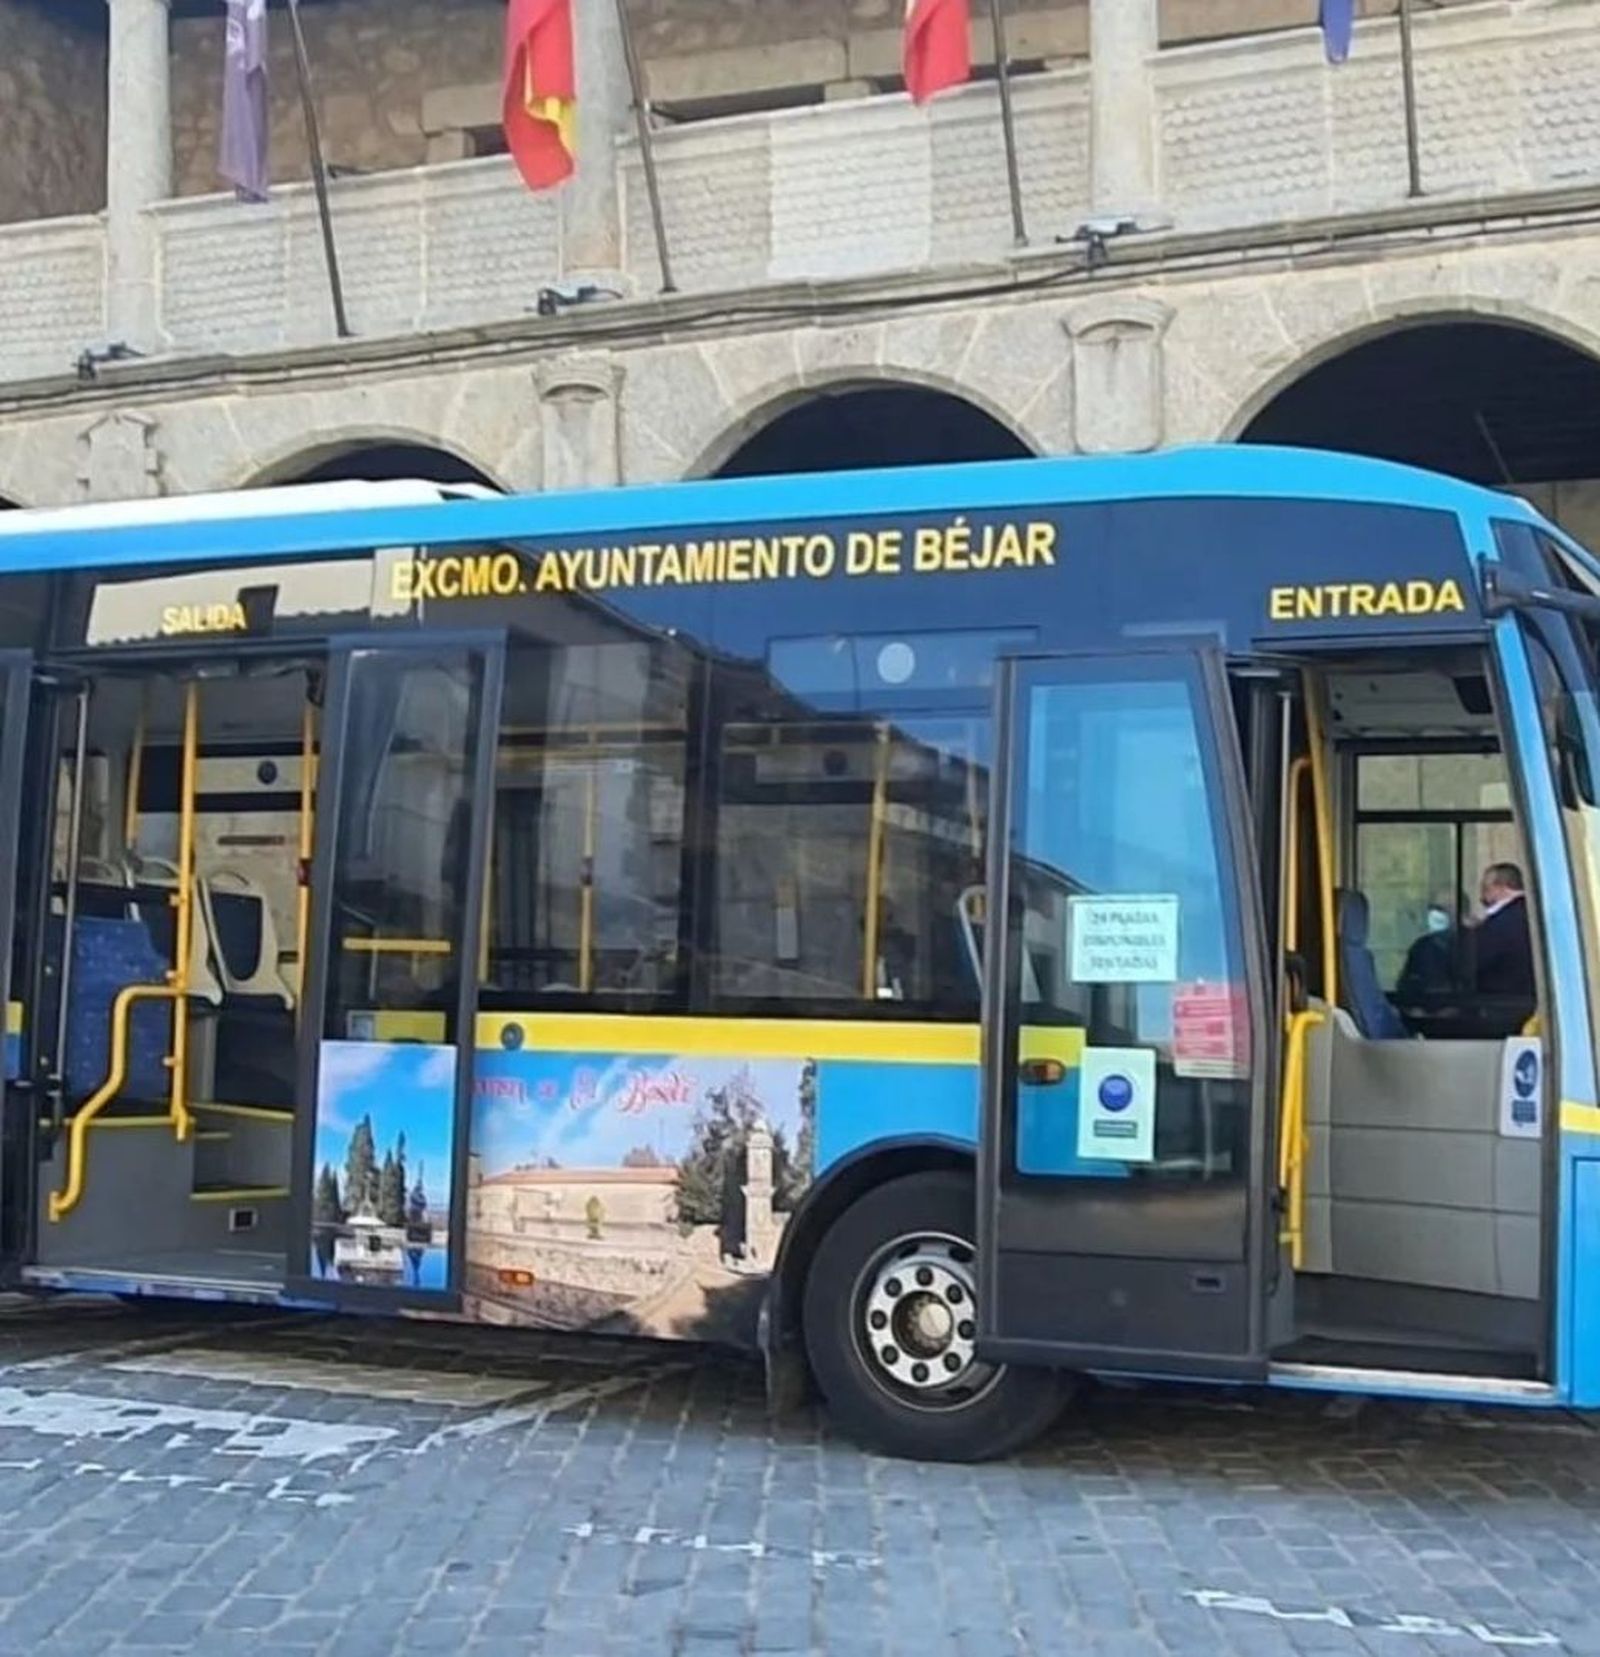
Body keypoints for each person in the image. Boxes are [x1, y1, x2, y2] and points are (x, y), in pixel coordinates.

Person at [1471, 861, 1536, 1031]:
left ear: (1501, 887)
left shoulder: (1500, 924)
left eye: (1486, 887)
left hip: (1500, 1008)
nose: (1482, 894)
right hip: (1528, 1005)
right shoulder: (1533, 914)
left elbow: (1475, 962)